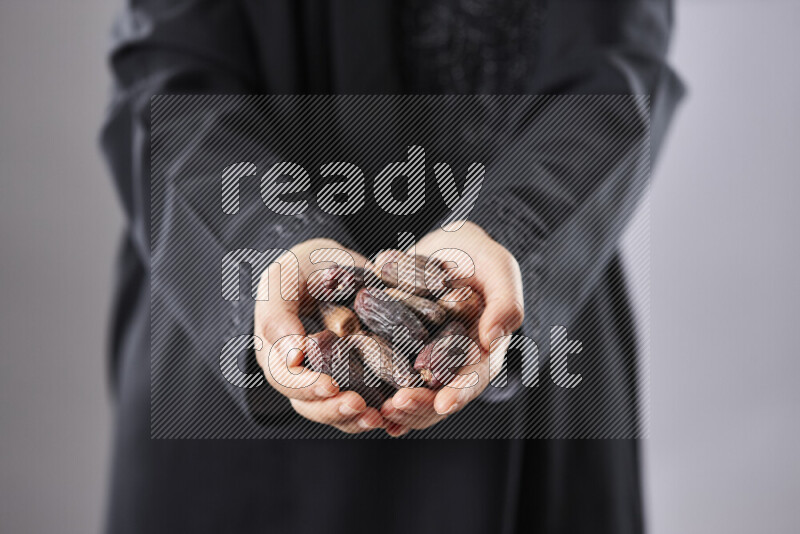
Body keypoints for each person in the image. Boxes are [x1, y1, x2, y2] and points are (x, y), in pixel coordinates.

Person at [101, 0, 683, 532]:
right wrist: (268, 243)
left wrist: (512, 231)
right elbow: (167, 77)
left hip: (528, 300)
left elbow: (615, 69)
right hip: (232, 306)